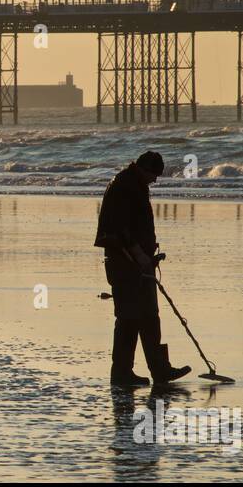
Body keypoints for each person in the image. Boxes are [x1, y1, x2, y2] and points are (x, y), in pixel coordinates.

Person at [95, 151, 190, 387]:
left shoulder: (133, 183)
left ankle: (159, 369)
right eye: (154, 174)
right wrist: (137, 253)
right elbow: (120, 227)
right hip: (125, 264)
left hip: (139, 262)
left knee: (147, 317)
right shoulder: (125, 186)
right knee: (129, 318)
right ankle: (123, 373)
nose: (155, 180)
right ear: (143, 168)